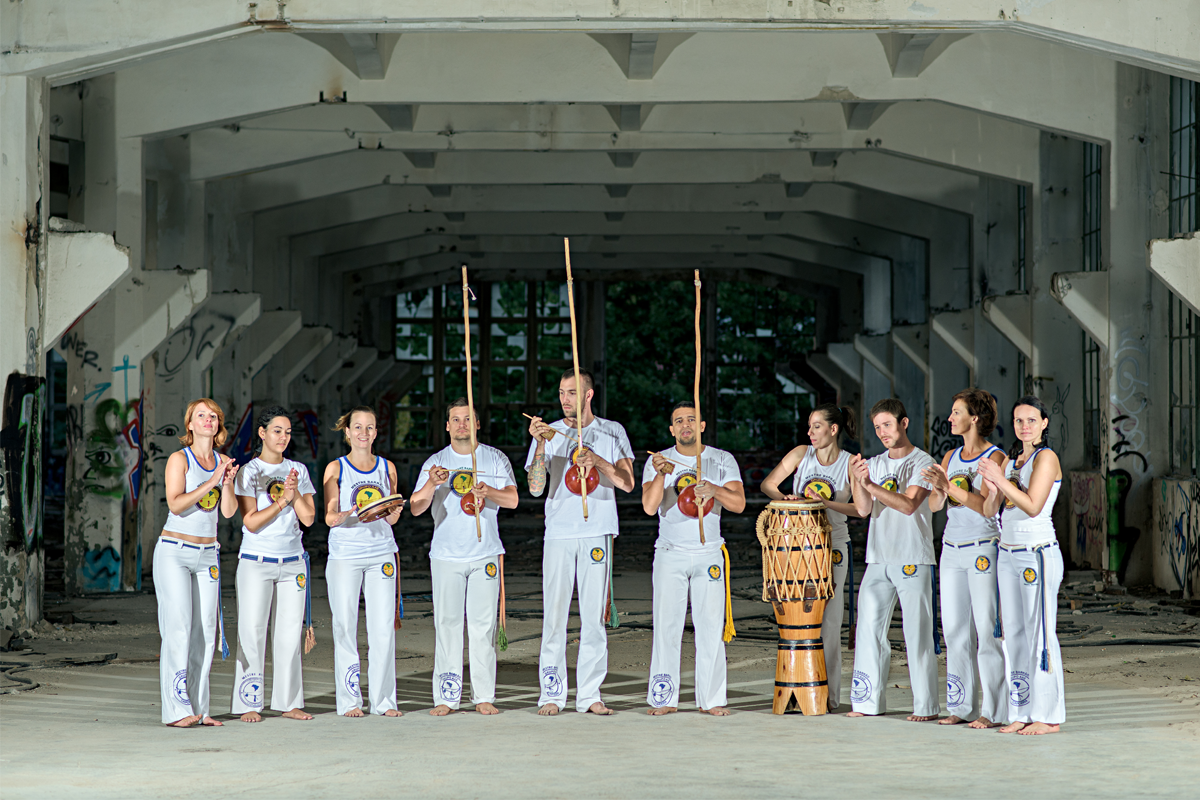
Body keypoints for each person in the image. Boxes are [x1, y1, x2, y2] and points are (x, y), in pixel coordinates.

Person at [526, 369, 635, 716]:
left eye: (572, 393)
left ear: (588, 394)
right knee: (554, 617)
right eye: (561, 392)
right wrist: (542, 443)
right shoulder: (551, 431)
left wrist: (597, 461)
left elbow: (628, 483)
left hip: (597, 529)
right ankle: (552, 694)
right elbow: (535, 486)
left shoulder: (611, 430)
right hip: (559, 531)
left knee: (593, 617)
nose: (564, 399)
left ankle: (590, 694)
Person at [410, 398, 518, 716]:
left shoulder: (495, 458)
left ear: (477, 424)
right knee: (447, 624)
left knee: (483, 626)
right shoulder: (436, 462)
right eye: (455, 419)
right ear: (447, 426)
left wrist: (489, 493)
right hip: (446, 554)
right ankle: (447, 696)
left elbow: (511, 499)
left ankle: (483, 695)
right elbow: (415, 507)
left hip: (485, 552)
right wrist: (432, 482)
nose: (461, 425)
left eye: (467, 419)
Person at [641, 402, 745, 716]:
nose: (685, 425)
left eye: (691, 419)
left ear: (701, 425)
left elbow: (739, 503)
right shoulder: (659, 460)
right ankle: (664, 698)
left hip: (709, 552)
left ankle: (711, 700)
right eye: (678, 421)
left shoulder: (721, 459)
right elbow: (648, 506)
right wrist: (660, 476)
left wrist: (713, 489)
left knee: (711, 627)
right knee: (667, 627)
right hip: (671, 553)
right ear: (671, 429)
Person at [760, 403, 862, 711]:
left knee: (829, 622)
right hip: (795, 546)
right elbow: (768, 484)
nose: (810, 432)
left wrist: (824, 504)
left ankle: (827, 695)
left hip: (832, 547)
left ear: (833, 429)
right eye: (809, 426)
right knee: (796, 621)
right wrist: (787, 499)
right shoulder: (800, 454)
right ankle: (794, 691)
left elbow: (859, 508)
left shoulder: (849, 463)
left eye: (816, 426)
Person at [846, 398, 939, 722]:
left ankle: (925, 707)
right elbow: (862, 509)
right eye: (877, 427)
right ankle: (866, 702)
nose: (882, 432)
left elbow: (909, 504)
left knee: (917, 634)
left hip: (913, 557)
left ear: (904, 423)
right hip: (878, 557)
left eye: (887, 425)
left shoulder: (923, 463)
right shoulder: (873, 463)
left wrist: (869, 484)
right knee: (868, 629)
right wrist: (859, 481)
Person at [977, 395, 1065, 736]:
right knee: (1012, 633)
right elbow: (989, 510)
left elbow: (1031, 506)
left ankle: (1048, 715)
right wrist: (991, 484)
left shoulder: (1046, 458)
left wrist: (1000, 481)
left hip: (1036, 551)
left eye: (1031, 420)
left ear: (1044, 423)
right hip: (1008, 551)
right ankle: (1021, 709)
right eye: (1018, 421)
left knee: (1039, 633)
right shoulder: (1013, 461)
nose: (1024, 426)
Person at [922, 389, 1007, 728]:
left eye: (957, 412)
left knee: (987, 631)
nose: (950, 418)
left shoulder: (995, 458)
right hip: (952, 547)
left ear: (975, 418)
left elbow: (988, 506)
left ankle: (994, 710)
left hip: (983, 547)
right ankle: (961, 705)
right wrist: (938, 488)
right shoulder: (949, 457)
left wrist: (951, 487)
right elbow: (933, 507)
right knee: (955, 630)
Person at [154, 398, 240, 727]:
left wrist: (227, 482)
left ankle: (200, 710)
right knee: (178, 630)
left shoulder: (221, 462)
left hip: (209, 554)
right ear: (190, 424)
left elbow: (229, 511)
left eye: (213, 416)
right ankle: (176, 711)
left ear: (218, 425)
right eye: (200, 415)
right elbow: (176, 505)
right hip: (175, 551)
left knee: (205, 632)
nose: (208, 420)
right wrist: (213, 479)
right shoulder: (180, 460)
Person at [231, 406, 317, 723]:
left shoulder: (298, 470)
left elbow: (308, 518)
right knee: (252, 631)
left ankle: (289, 701)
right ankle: (248, 702)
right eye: (277, 431)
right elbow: (251, 522)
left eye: (288, 432)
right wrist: (283, 500)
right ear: (263, 433)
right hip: (256, 560)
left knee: (289, 633)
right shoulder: (249, 472)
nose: (283, 437)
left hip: (293, 561)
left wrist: (294, 495)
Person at [322, 405, 405, 718]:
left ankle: (384, 701)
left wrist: (396, 511)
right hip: (345, 554)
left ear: (376, 432)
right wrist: (339, 516)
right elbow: (329, 513)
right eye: (357, 427)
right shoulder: (336, 468)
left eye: (369, 427)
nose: (363, 433)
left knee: (382, 627)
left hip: (381, 553)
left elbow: (393, 515)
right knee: (345, 626)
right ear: (347, 432)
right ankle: (350, 701)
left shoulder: (387, 468)